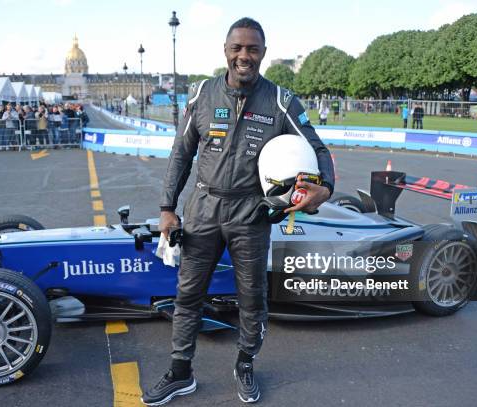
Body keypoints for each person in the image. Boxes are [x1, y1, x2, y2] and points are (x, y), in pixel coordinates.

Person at [141, 17, 334, 406]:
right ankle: (181, 373)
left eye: (253, 49)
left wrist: (325, 189)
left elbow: (320, 151)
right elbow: (181, 155)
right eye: (238, 48)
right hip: (203, 207)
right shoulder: (201, 95)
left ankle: (245, 364)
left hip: (252, 212)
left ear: (263, 53)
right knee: (188, 294)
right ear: (226, 50)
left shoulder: (281, 101)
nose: (244, 55)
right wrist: (167, 208)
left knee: (252, 297)